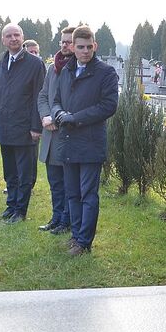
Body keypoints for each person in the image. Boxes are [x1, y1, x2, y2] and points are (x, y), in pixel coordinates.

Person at [50, 25, 118, 255]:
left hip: (90, 142)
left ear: (95, 46)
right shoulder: (67, 70)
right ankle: (76, 235)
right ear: (73, 47)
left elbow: (108, 106)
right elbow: (57, 99)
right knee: (72, 193)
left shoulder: (105, 73)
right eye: (80, 47)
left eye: (89, 47)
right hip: (68, 140)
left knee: (88, 194)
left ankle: (84, 242)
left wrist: (74, 118)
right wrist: (58, 113)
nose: (85, 51)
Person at [0, 24, 45, 224]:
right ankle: (10, 207)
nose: (13, 39)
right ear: (3, 40)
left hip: (25, 129)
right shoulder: (2, 63)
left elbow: (38, 97)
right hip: (4, 127)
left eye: (16, 35)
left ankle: (20, 212)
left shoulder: (34, 64)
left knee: (24, 174)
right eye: (8, 36)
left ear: (22, 37)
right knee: (10, 172)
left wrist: (35, 127)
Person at [36, 25, 75, 235]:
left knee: (69, 183)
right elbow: (43, 95)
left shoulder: (79, 68)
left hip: (68, 134)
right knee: (55, 182)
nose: (65, 45)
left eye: (69, 41)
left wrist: (56, 119)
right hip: (50, 132)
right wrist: (44, 116)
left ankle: (66, 221)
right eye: (63, 41)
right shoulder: (53, 68)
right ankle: (56, 217)